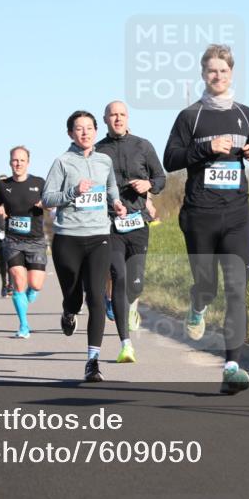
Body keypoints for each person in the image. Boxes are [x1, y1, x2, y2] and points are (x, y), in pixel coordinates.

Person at [163, 44, 249, 394]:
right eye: (211, 71)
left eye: (223, 70)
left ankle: (232, 367)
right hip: (200, 215)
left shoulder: (245, 113)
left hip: (236, 213)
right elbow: (170, 159)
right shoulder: (190, 116)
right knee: (208, 286)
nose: (217, 76)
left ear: (231, 73)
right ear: (203, 74)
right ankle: (198, 302)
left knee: (237, 289)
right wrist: (206, 148)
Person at [42, 110, 128, 382]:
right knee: (74, 298)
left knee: (97, 298)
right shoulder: (62, 162)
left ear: (95, 131)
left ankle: (93, 361)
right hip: (68, 238)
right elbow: (47, 198)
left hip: (99, 236)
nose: (85, 132)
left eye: (89, 128)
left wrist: (116, 203)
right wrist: (73, 192)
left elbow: (111, 188)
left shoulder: (104, 160)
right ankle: (69, 311)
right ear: (70, 133)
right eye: (79, 128)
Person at [95, 101, 166, 362]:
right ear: (105, 119)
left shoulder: (143, 145)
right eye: (113, 115)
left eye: (122, 114)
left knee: (135, 284)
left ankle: (129, 304)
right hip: (109, 223)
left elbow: (161, 178)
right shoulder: (97, 151)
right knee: (119, 276)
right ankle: (126, 345)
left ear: (127, 118)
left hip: (138, 223)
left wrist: (149, 185)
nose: (118, 118)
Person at [0, 147, 47, 339]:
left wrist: (45, 204)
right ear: (10, 162)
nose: (18, 163)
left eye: (22, 160)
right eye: (15, 160)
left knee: (36, 284)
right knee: (18, 281)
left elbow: (51, 202)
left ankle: (31, 292)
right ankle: (23, 326)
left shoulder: (39, 182)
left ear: (28, 162)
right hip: (13, 240)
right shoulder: (3, 185)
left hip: (36, 240)